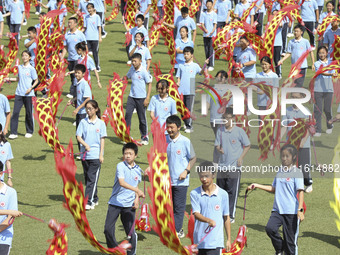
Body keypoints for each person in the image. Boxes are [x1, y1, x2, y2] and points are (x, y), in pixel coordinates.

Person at [247, 144, 305, 255]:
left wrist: (300, 210)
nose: (284, 158)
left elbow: (301, 191)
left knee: (291, 243)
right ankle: (280, 249)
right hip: (277, 210)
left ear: (293, 157)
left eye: (287, 156)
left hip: (291, 212)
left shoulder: (297, 172)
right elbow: (273, 188)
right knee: (270, 228)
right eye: (282, 156)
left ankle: (285, 250)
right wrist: (257, 185)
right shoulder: (280, 171)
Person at [104, 142, 145, 255]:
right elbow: (122, 182)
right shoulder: (120, 166)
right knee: (108, 230)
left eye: (130, 153)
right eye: (125, 153)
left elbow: (136, 185)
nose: (127, 156)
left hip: (129, 205)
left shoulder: (138, 170)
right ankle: (115, 250)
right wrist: (137, 191)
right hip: (115, 203)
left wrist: (136, 199)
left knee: (131, 233)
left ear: (135, 155)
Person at [215, 107, 250, 223]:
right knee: (220, 191)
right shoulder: (220, 131)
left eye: (228, 118)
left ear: (233, 118)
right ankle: (220, 212)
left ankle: (231, 215)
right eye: (224, 118)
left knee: (232, 192)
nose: (226, 121)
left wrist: (241, 158)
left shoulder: (239, 131)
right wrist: (219, 149)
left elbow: (247, 145)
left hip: (234, 167)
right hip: (221, 166)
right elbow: (217, 145)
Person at [190, 161, 231, 253]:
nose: (204, 179)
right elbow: (196, 214)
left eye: (207, 176)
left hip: (215, 243)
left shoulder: (223, 194)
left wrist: (228, 239)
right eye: (201, 176)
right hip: (199, 242)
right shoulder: (194, 193)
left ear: (213, 175)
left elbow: (226, 217)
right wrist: (208, 220)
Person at [166, 115, 196, 238]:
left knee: (178, 207)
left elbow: (193, 158)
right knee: (168, 207)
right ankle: (170, 228)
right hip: (166, 181)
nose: (169, 130)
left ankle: (177, 230)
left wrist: (186, 171)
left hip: (180, 182)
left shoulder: (185, 141)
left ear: (178, 127)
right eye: (168, 127)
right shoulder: (164, 140)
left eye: (172, 127)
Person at [76, 100, 107, 210]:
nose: (88, 111)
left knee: (91, 179)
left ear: (96, 109)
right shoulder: (83, 122)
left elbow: (102, 139)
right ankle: (94, 198)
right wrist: (85, 145)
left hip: (95, 156)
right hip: (85, 156)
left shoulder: (101, 123)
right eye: (87, 109)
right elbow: (78, 136)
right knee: (88, 178)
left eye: (90, 108)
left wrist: (101, 155)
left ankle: (88, 201)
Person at [280, 92, 313, 193]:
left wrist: (303, 141)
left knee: (304, 167)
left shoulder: (306, 111)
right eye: (292, 97)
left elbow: (309, 127)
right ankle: (292, 184)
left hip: (303, 144)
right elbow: (284, 126)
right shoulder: (286, 111)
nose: (294, 99)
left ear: (302, 98)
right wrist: (278, 139)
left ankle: (308, 183)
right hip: (290, 143)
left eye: (297, 97)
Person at [6, 51, 38, 140]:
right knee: (15, 112)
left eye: (26, 56)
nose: (24, 57)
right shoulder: (19, 67)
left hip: (28, 94)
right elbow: (18, 78)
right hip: (19, 93)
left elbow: (36, 80)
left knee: (28, 113)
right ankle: (13, 132)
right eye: (23, 55)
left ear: (30, 57)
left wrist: (31, 88)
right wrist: (7, 79)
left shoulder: (31, 69)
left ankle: (29, 131)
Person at [176, 46, 205, 132]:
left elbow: (201, 72)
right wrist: (178, 82)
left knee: (188, 109)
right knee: (181, 110)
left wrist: (205, 65)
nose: (185, 55)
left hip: (190, 91)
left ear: (192, 55)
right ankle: (186, 123)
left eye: (187, 54)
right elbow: (178, 76)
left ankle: (189, 127)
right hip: (181, 91)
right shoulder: (181, 66)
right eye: (184, 54)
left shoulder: (195, 66)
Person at [125, 53, 152, 145]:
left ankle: (144, 137)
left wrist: (147, 98)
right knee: (127, 115)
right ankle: (127, 136)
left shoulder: (144, 71)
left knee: (142, 118)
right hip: (131, 97)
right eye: (132, 61)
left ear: (140, 61)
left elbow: (149, 83)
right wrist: (118, 81)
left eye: (135, 61)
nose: (133, 63)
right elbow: (126, 77)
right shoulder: (131, 69)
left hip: (141, 98)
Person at [61, 17, 87, 99]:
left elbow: (85, 46)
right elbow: (65, 47)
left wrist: (85, 57)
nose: (69, 24)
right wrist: (62, 57)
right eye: (68, 23)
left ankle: (73, 92)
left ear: (75, 24)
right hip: (70, 58)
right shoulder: (67, 34)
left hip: (78, 58)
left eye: (71, 23)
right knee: (72, 76)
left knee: (76, 75)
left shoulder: (80, 34)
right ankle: (77, 91)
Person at [0, 160, 22, 254]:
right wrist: (9, 211)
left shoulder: (11, 192)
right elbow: (11, 213)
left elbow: (10, 219)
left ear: (0, 174)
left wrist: (11, 213)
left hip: (3, 239)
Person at [313, 46, 335, 136]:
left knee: (327, 109)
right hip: (318, 89)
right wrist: (331, 72)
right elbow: (321, 71)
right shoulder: (317, 63)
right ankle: (318, 130)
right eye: (320, 53)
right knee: (318, 110)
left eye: (323, 53)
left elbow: (334, 71)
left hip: (329, 89)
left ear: (326, 53)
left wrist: (334, 72)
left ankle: (329, 125)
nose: (321, 55)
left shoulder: (331, 63)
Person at [67, 64, 92, 129]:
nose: (76, 74)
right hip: (79, 111)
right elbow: (79, 96)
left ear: (83, 74)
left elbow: (88, 99)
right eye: (76, 72)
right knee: (78, 132)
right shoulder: (78, 83)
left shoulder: (84, 84)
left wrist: (77, 108)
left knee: (81, 134)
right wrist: (72, 100)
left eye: (79, 73)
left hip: (84, 112)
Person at [83, 3, 102, 72]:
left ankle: (97, 66)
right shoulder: (86, 17)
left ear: (93, 8)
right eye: (88, 8)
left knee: (95, 53)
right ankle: (87, 66)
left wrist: (100, 37)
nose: (89, 10)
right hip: (87, 38)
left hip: (95, 38)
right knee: (86, 53)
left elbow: (99, 27)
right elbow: (84, 27)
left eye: (90, 8)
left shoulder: (97, 17)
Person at [200, 0, 217, 71]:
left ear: (212, 5)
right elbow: (202, 24)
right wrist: (205, 30)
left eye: (210, 4)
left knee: (211, 49)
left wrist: (212, 32)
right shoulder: (203, 14)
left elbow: (215, 24)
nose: (209, 5)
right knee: (206, 49)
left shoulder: (214, 14)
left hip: (212, 35)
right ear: (206, 5)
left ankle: (211, 65)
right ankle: (207, 64)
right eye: (208, 4)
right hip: (205, 35)